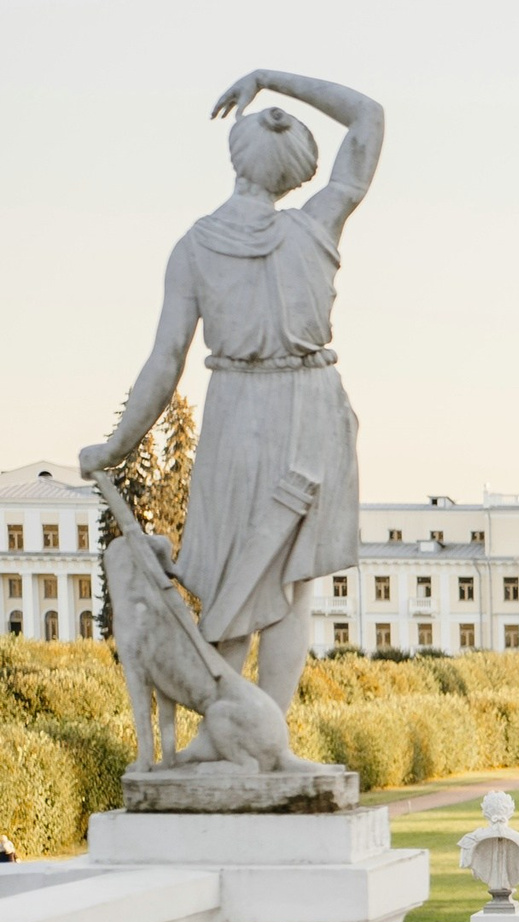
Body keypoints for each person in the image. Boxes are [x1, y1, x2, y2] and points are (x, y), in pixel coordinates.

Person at [81, 70, 383, 718]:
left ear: (237, 158)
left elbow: (165, 362)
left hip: (240, 407)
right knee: (289, 586)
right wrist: (272, 80)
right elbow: (368, 117)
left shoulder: (194, 248)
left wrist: (115, 447)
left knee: (231, 577)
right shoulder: (317, 223)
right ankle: (262, 736)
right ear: (295, 174)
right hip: (314, 406)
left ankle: (230, 733)